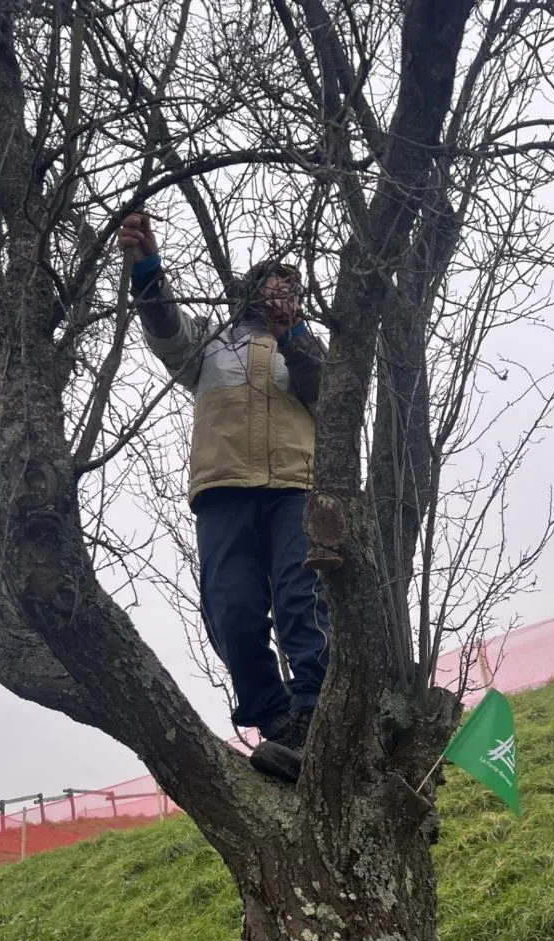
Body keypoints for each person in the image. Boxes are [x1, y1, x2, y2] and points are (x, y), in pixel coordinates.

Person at [118, 211, 329, 783]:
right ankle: (276, 721)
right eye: (274, 281)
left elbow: (327, 396)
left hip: (294, 488)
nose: (284, 291)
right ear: (251, 290)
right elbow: (165, 330)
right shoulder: (212, 342)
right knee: (232, 610)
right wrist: (146, 269)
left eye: (294, 285)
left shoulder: (310, 347)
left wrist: (292, 334)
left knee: (302, 601)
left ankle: (316, 714)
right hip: (223, 489)